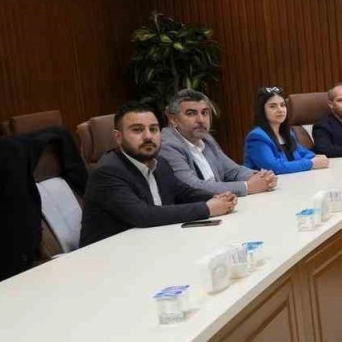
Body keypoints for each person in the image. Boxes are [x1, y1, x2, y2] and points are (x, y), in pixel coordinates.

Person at [80, 102, 236, 246]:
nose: (148, 136)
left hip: (153, 243)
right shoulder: (107, 172)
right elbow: (143, 215)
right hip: (109, 256)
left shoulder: (160, 163)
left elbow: (183, 192)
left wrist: (219, 197)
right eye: (137, 130)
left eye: (153, 129)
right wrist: (207, 208)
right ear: (118, 137)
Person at [159, 89, 276, 197]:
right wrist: (247, 186)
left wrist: (261, 177)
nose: (201, 120)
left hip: (222, 202)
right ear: (174, 120)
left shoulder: (206, 139)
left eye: (204, 113)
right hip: (198, 209)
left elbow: (232, 170)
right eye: (191, 113)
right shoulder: (167, 145)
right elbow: (192, 186)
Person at [243, 87, 331, 175]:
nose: (280, 110)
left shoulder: (287, 132)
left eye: (282, 105)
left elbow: (303, 152)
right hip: (269, 183)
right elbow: (273, 167)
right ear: (262, 111)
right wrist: (310, 163)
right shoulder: (257, 137)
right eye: (273, 106)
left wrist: (315, 157)